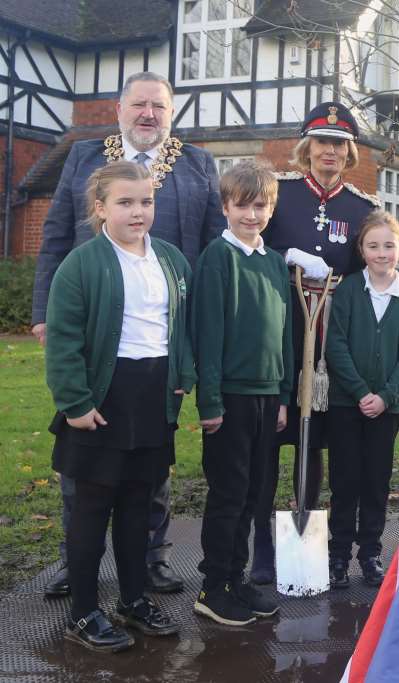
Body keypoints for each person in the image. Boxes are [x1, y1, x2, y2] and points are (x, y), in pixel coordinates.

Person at [32, 71, 224, 597]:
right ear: (119, 108)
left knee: (152, 452)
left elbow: (209, 252)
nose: (148, 114)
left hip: (162, 338)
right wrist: (46, 309)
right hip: (94, 331)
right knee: (86, 454)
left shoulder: (197, 163)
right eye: (138, 104)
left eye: (158, 106)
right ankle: (80, 560)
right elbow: (54, 235)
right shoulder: (83, 155)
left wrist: (201, 341)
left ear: (171, 112)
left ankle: (151, 556)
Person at [45, 161, 191, 652]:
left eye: (145, 201)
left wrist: (181, 380)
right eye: (125, 202)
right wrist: (74, 402)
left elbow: (181, 327)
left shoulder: (170, 259)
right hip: (101, 399)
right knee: (91, 509)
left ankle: (132, 599)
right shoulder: (82, 264)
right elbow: (63, 341)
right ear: (100, 207)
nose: (137, 211)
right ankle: (84, 611)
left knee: (137, 506)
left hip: (152, 397)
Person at [250, 102, 382, 584]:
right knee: (270, 435)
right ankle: (262, 546)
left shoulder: (361, 208)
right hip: (281, 330)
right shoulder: (279, 195)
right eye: (322, 142)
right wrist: (291, 256)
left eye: (339, 144)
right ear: (307, 148)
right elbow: (251, 239)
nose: (330, 151)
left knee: (317, 442)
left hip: (332, 341)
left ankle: (309, 535)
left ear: (349, 152)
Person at [191, 161, 292, 625]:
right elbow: (207, 335)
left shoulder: (274, 264)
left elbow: (286, 335)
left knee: (255, 492)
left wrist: (284, 395)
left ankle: (238, 580)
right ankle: (215, 586)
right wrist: (209, 401)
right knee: (228, 492)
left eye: (261, 206)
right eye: (243, 206)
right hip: (229, 396)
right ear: (226, 207)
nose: (252, 215)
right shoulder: (218, 258)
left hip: (268, 396)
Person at [324, 209, 399, 588]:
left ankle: (370, 554)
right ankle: (337, 555)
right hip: (346, 405)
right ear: (362, 250)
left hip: (386, 409)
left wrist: (384, 396)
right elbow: (336, 346)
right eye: (373, 246)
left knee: (376, 482)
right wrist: (360, 392)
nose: (381, 253)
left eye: (388, 246)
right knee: (345, 481)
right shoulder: (348, 290)